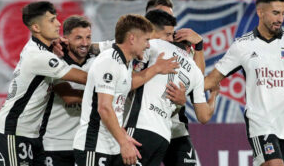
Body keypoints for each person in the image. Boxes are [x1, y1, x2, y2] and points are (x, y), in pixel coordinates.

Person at [204, 0, 284, 166]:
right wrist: (185, 85)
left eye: (282, 13)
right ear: (260, 12)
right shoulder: (243, 46)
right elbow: (211, 80)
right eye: (275, 13)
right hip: (260, 122)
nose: (280, 18)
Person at [72, 14, 177, 166]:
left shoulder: (124, 63)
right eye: (146, 40)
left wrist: (156, 68)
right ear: (132, 38)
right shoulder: (109, 61)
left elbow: (128, 84)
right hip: (94, 145)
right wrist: (124, 142)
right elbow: (104, 108)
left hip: (111, 145)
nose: (148, 45)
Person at [0, 1, 88, 165]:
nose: (58, 24)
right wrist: (114, 81)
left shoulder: (44, 52)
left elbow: (67, 94)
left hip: (32, 134)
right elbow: (85, 78)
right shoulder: (39, 56)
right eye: (51, 20)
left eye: (56, 18)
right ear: (36, 28)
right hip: (14, 130)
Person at [124, 10, 218, 166]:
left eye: (171, 35)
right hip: (164, 135)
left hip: (141, 126)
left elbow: (127, 82)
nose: (169, 38)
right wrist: (214, 95)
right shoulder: (195, 71)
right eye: (168, 34)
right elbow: (204, 116)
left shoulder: (154, 46)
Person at [42, 15, 95, 166]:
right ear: (65, 39)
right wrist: (104, 94)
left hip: (84, 144)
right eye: (78, 38)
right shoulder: (55, 63)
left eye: (88, 37)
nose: (85, 43)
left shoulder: (96, 62)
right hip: (55, 144)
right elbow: (69, 97)